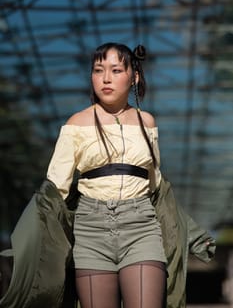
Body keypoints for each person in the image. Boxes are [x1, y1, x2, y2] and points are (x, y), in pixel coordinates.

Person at [46, 42, 167, 308]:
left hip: (141, 226)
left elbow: (154, 180)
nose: (106, 78)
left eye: (115, 70)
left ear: (133, 76)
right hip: (91, 229)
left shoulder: (147, 122)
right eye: (98, 70)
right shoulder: (75, 123)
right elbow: (56, 188)